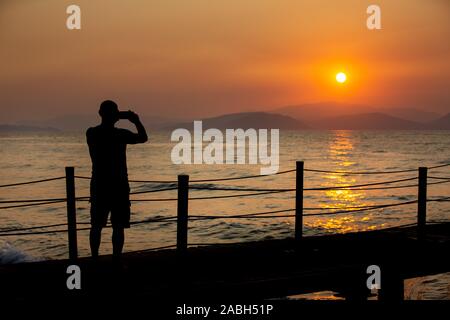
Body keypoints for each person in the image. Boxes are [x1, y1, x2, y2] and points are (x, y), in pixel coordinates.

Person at [86, 100, 148, 261]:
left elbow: (143, 139)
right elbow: (143, 137)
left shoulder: (91, 133)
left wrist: (116, 116)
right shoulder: (120, 134)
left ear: (100, 113)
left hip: (99, 184)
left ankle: (94, 259)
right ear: (115, 116)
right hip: (119, 185)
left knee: (96, 226)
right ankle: (116, 259)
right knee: (118, 227)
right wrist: (134, 120)